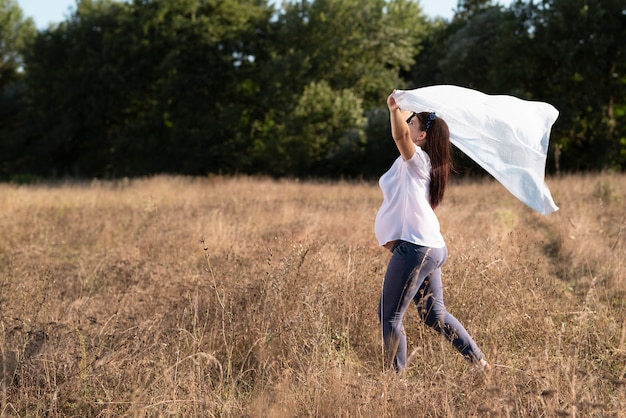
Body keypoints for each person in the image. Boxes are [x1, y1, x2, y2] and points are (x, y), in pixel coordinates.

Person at [375, 90, 491, 375]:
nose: (407, 125)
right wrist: (402, 106)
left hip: (416, 249)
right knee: (433, 315)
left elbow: (400, 136)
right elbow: (404, 132)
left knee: (389, 316)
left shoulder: (417, 161)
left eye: (412, 122)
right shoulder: (418, 164)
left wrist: (393, 109)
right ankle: (481, 365)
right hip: (428, 248)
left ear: (422, 135)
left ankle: (395, 384)